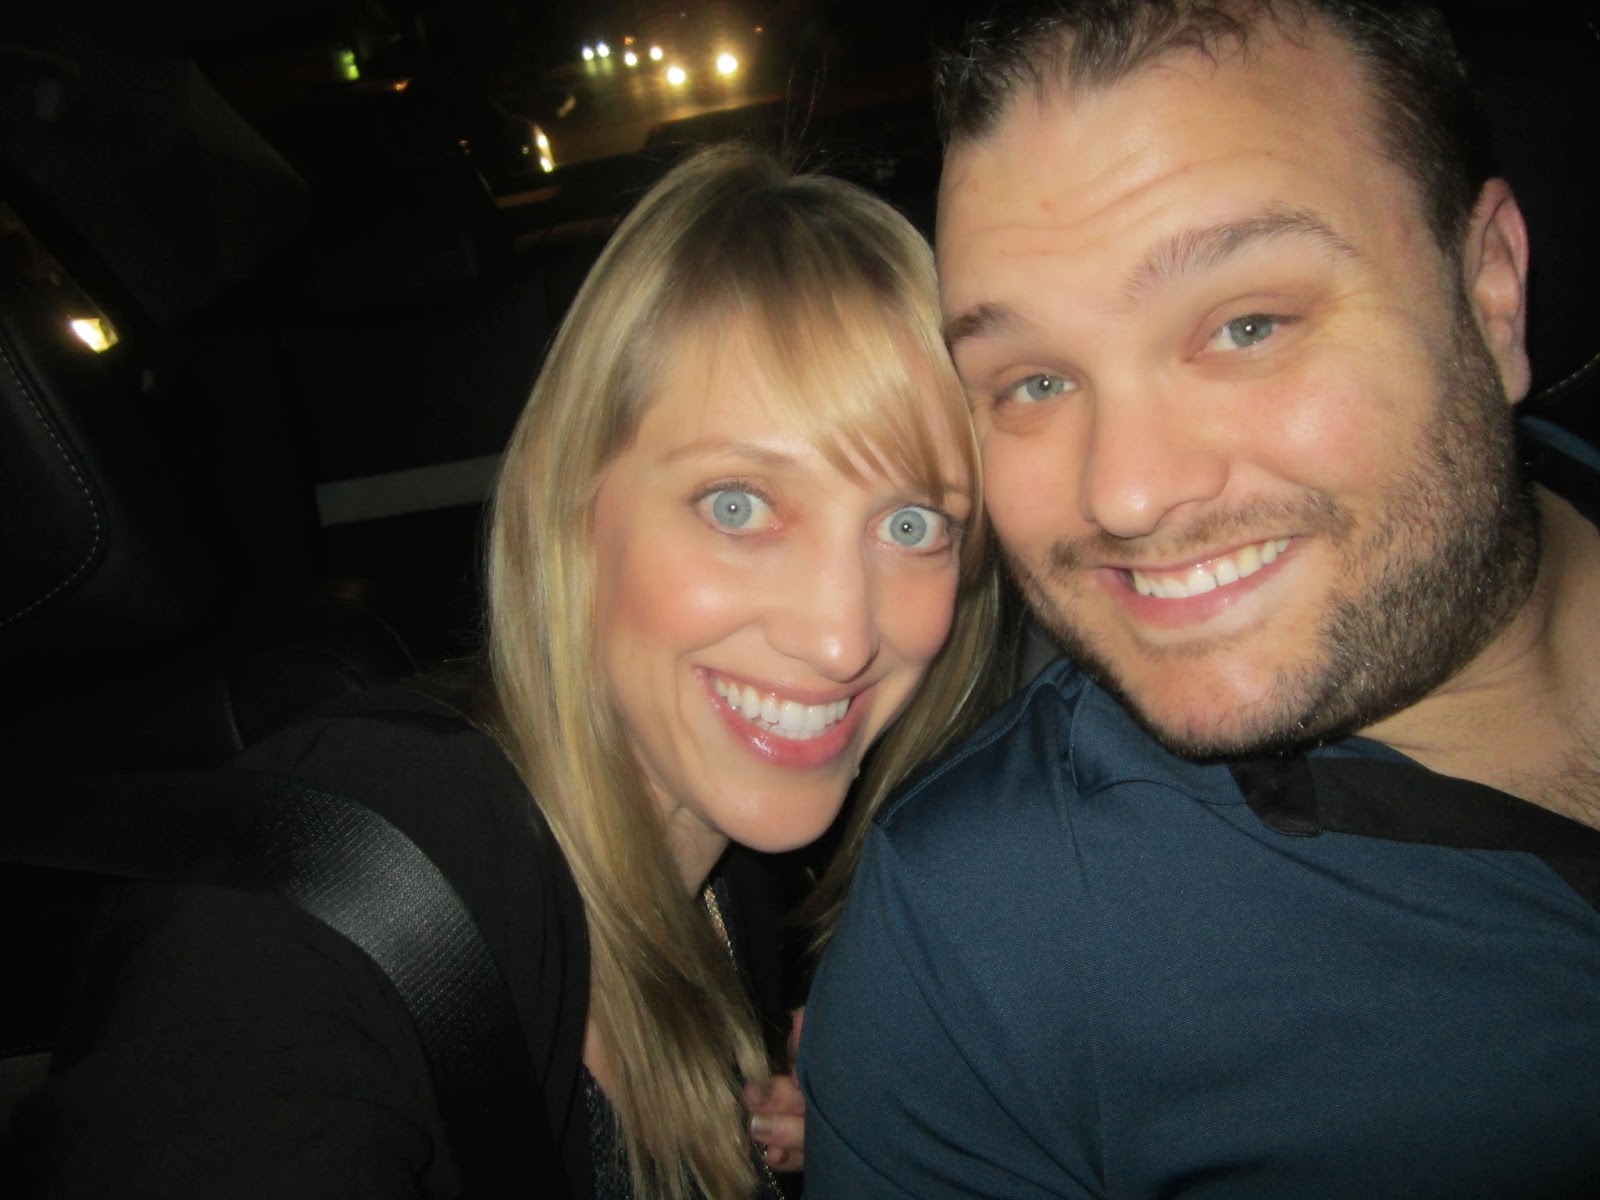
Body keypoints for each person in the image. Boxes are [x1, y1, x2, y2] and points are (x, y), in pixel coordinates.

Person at [12, 144, 1005, 1198]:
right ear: (574, 512)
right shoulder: (325, 898)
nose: (841, 638)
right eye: (738, 505)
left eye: (911, 524)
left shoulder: (733, 886)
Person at [799, 2, 1600, 1197]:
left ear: (1488, 291)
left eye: (1245, 325)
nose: (1123, 493)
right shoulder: (986, 958)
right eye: (1033, 382)